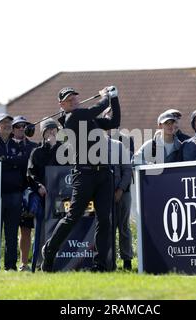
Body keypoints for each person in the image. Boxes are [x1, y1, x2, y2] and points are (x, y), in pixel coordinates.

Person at [41, 86, 121, 272]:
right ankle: (50, 250)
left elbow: (114, 121)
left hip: (103, 174)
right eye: (69, 100)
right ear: (62, 105)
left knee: (104, 220)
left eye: (75, 98)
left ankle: (100, 265)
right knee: (73, 216)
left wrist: (114, 99)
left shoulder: (87, 118)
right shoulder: (72, 117)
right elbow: (95, 109)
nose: (74, 101)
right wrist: (105, 97)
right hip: (84, 174)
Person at [0, 113, 29, 271]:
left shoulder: (18, 145)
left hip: (15, 194)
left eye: (9, 123)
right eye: (3, 123)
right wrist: (11, 161)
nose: (7, 125)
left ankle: (10, 266)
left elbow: (23, 161)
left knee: (11, 234)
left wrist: (4, 159)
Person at [27, 118, 63, 271]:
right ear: (42, 134)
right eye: (48, 130)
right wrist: (38, 186)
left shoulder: (64, 150)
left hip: (61, 198)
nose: (51, 133)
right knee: (41, 232)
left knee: (59, 230)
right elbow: (30, 173)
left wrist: (55, 147)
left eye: (54, 130)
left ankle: (57, 263)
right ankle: (38, 263)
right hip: (43, 198)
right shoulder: (36, 152)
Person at [12, 115, 39, 272]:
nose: (21, 128)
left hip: (30, 193)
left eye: (24, 126)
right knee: (10, 230)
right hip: (11, 191)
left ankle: (24, 263)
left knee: (26, 230)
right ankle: (10, 262)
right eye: (18, 126)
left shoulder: (34, 147)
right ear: (13, 129)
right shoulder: (7, 145)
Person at [108, 135, 133, 270]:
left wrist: (120, 190)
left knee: (124, 228)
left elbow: (127, 170)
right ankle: (109, 261)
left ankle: (127, 261)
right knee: (107, 229)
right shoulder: (90, 146)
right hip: (104, 196)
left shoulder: (118, 145)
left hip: (123, 193)